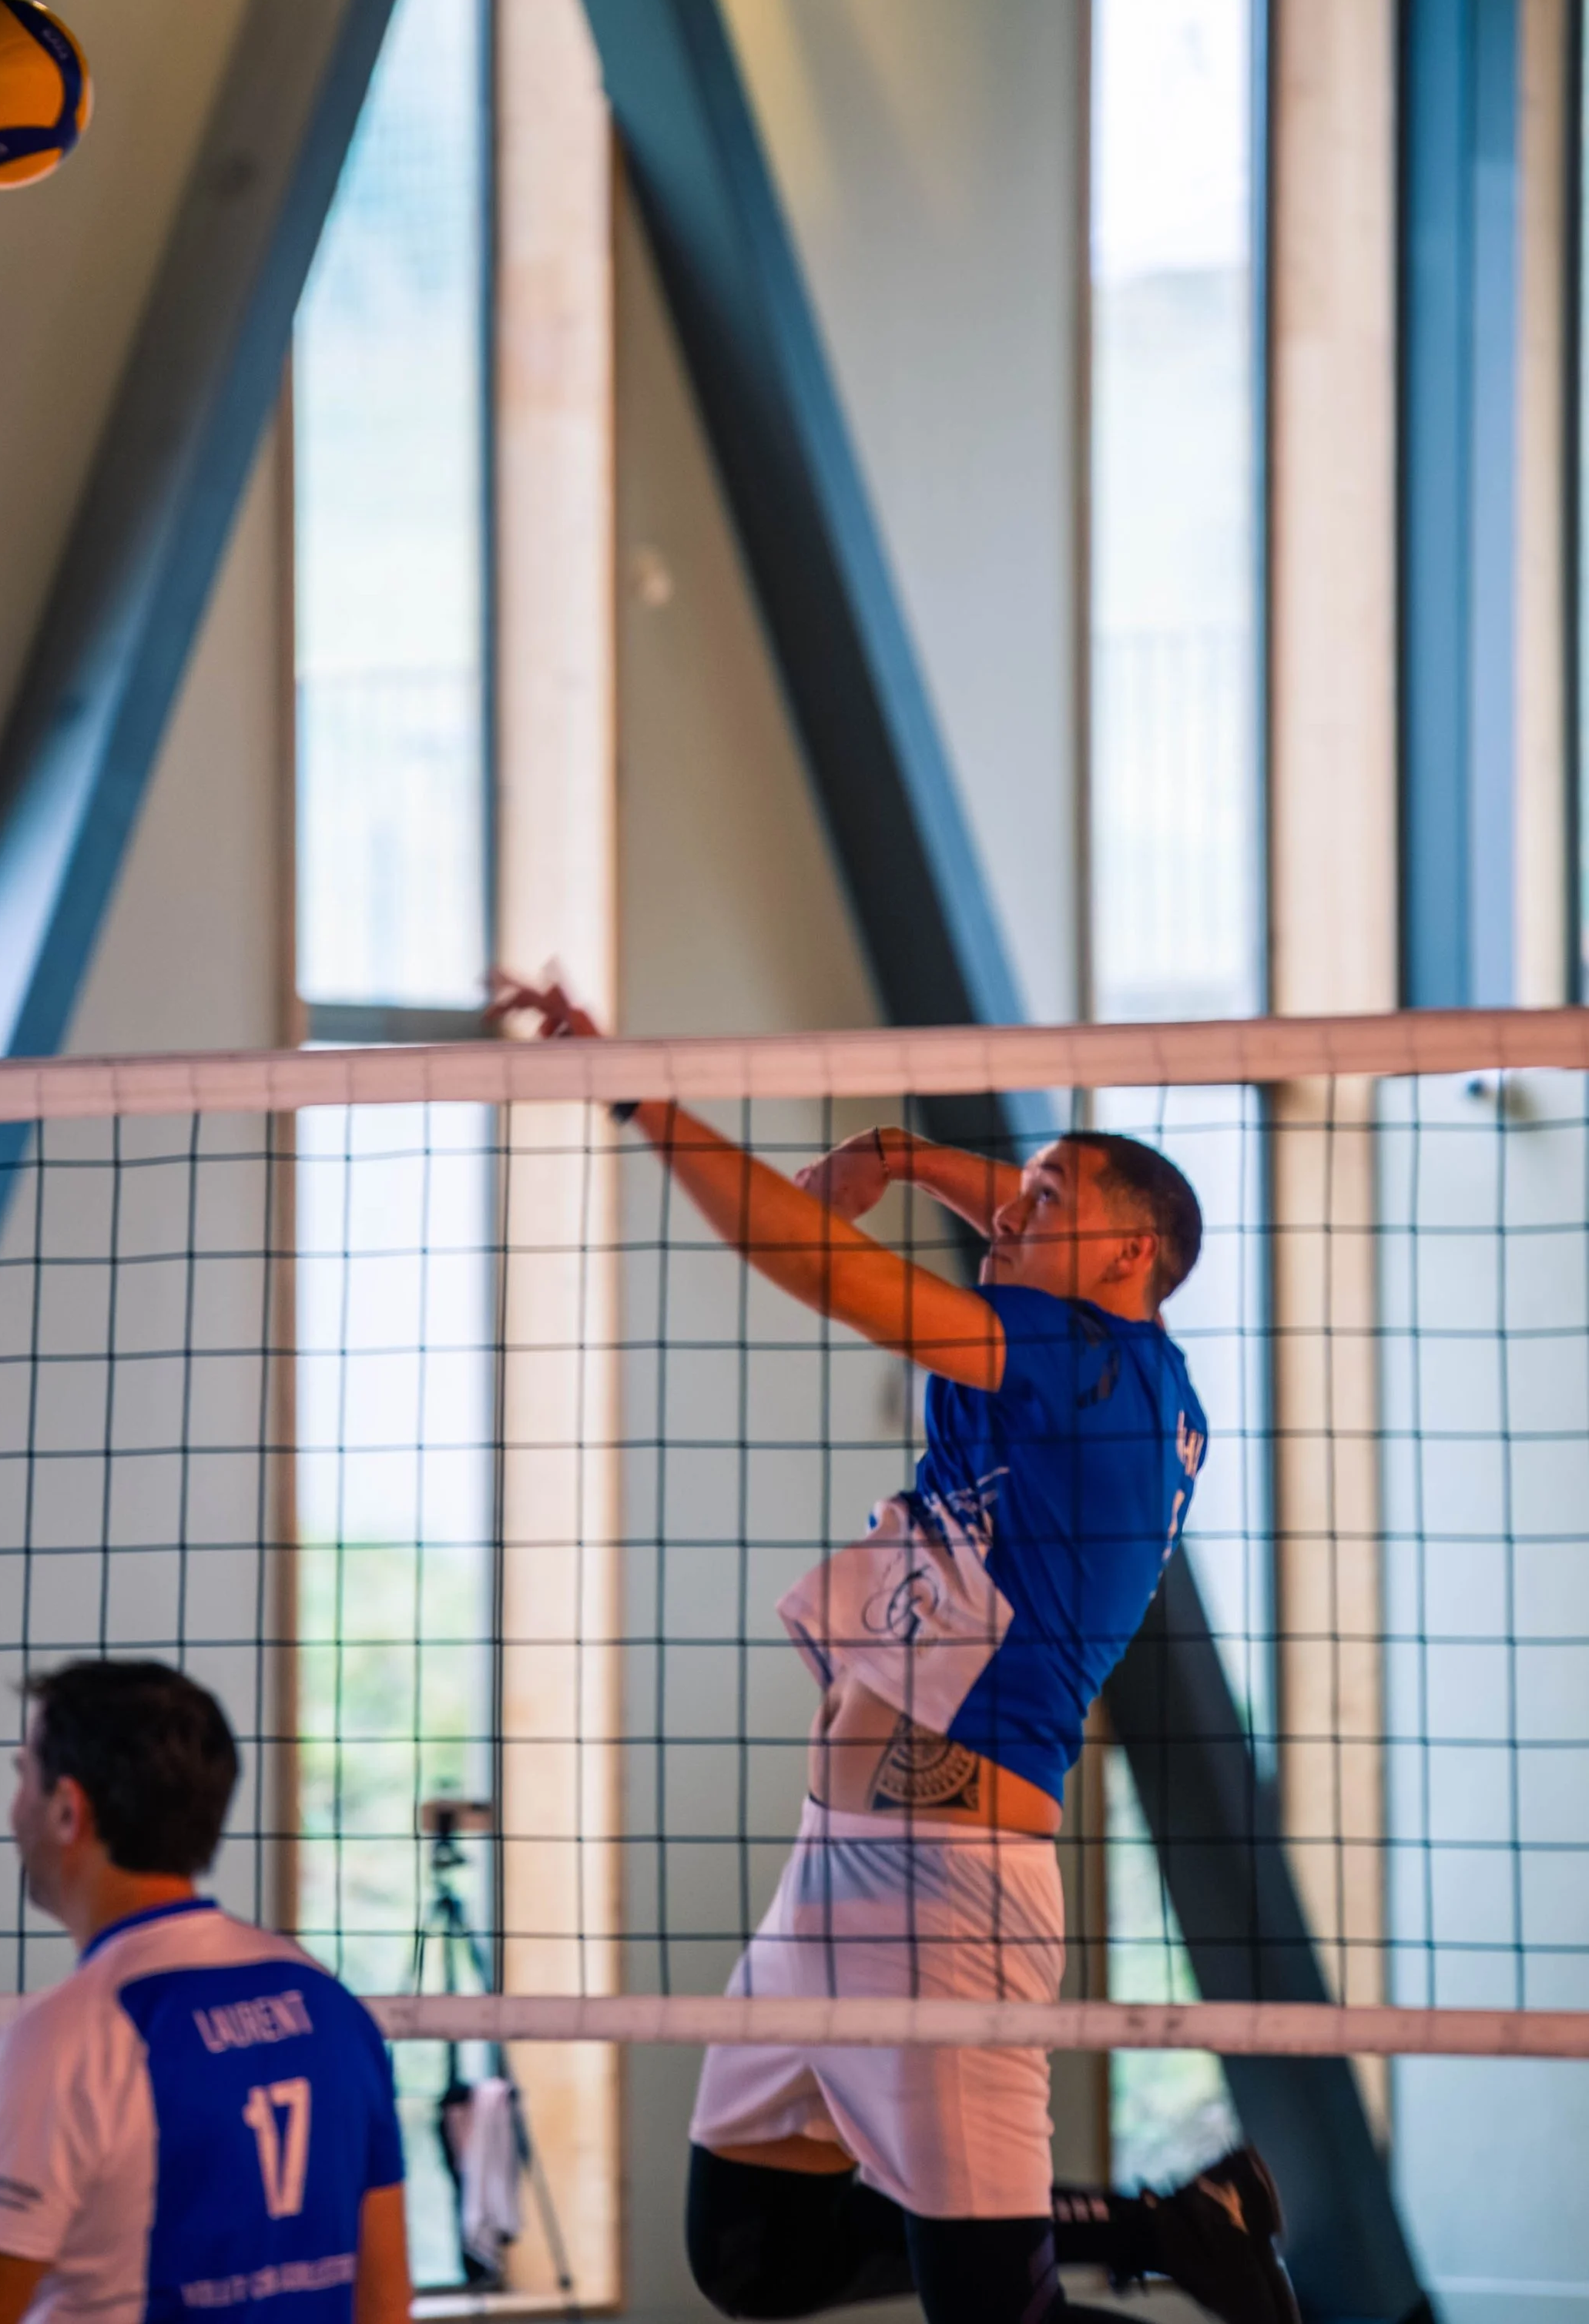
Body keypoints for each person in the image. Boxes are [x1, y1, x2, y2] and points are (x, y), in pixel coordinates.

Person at [495, 976, 1296, 2324]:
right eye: (1016, 1190)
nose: (1004, 1212)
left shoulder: (1079, 1364)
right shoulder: (1101, 1350)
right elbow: (1031, 1211)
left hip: (947, 1901)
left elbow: (818, 1263)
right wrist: (913, 1156)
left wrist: (642, 1095)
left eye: (1043, 1204)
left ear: (1126, 1265)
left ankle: (1192, 2262)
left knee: (994, 2320)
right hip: (832, 1876)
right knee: (755, 2256)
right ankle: (1165, 2222)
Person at [0, 1660, 410, 2324]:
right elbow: (385, 2305)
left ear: (66, 1810)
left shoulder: (65, 2039)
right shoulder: (331, 2006)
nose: (13, 1810)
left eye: (23, 1775)